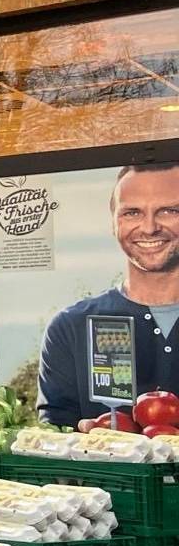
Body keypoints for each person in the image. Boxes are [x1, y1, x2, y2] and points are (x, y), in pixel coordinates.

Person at [39, 164, 179, 425]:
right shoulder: (70, 327)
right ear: (113, 223)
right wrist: (76, 439)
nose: (149, 228)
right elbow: (54, 435)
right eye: (132, 212)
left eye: (169, 210)